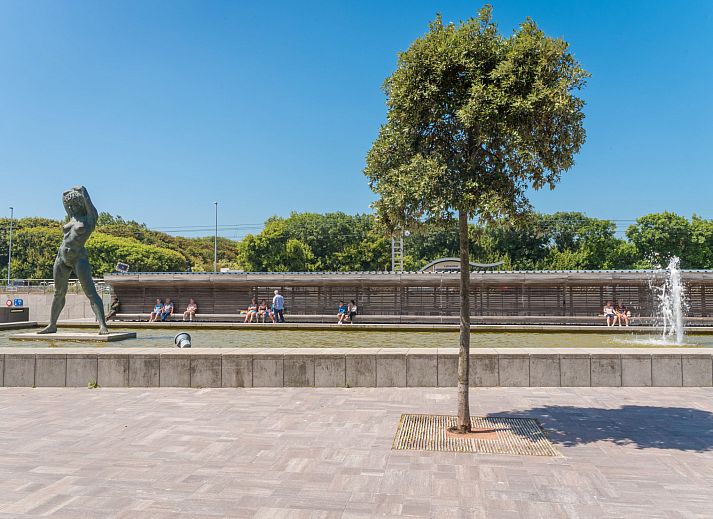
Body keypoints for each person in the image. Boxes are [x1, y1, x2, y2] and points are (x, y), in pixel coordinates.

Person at [38, 186, 109, 334]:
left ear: (81, 204)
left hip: (78, 258)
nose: (72, 206)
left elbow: (91, 208)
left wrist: (83, 191)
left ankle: (102, 325)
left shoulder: (90, 219)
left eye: (75, 204)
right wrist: (70, 194)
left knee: (91, 293)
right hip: (61, 258)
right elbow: (63, 197)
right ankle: (52, 325)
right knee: (58, 293)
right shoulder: (72, 217)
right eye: (70, 204)